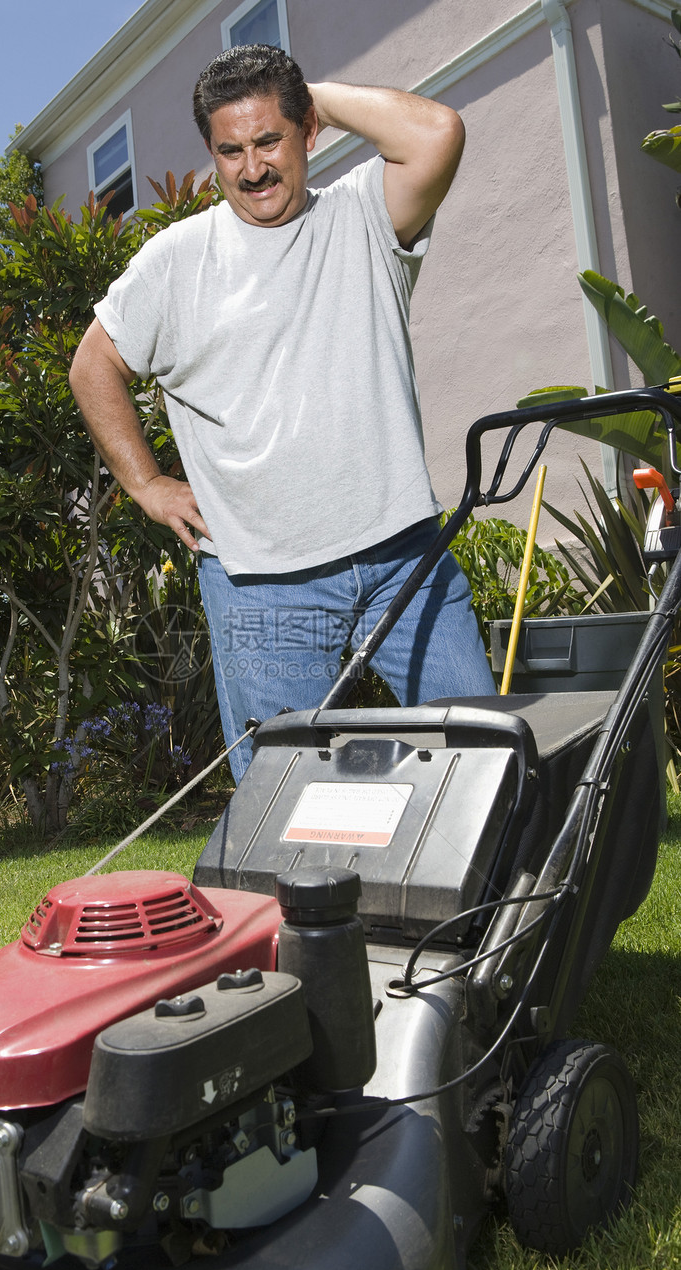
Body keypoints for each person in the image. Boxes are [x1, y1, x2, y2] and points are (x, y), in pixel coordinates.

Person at [69, 44, 495, 781]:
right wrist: (145, 484)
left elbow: (438, 132)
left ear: (308, 135)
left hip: (404, 560)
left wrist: (308, 93)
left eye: (270, 139)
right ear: (212, 155)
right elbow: (93, 365)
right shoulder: (176, 260)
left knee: (484, 767)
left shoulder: (365, 214)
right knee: (286, 809)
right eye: (230, 150)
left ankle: (490, 903)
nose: (252, 167)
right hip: (261, 585)